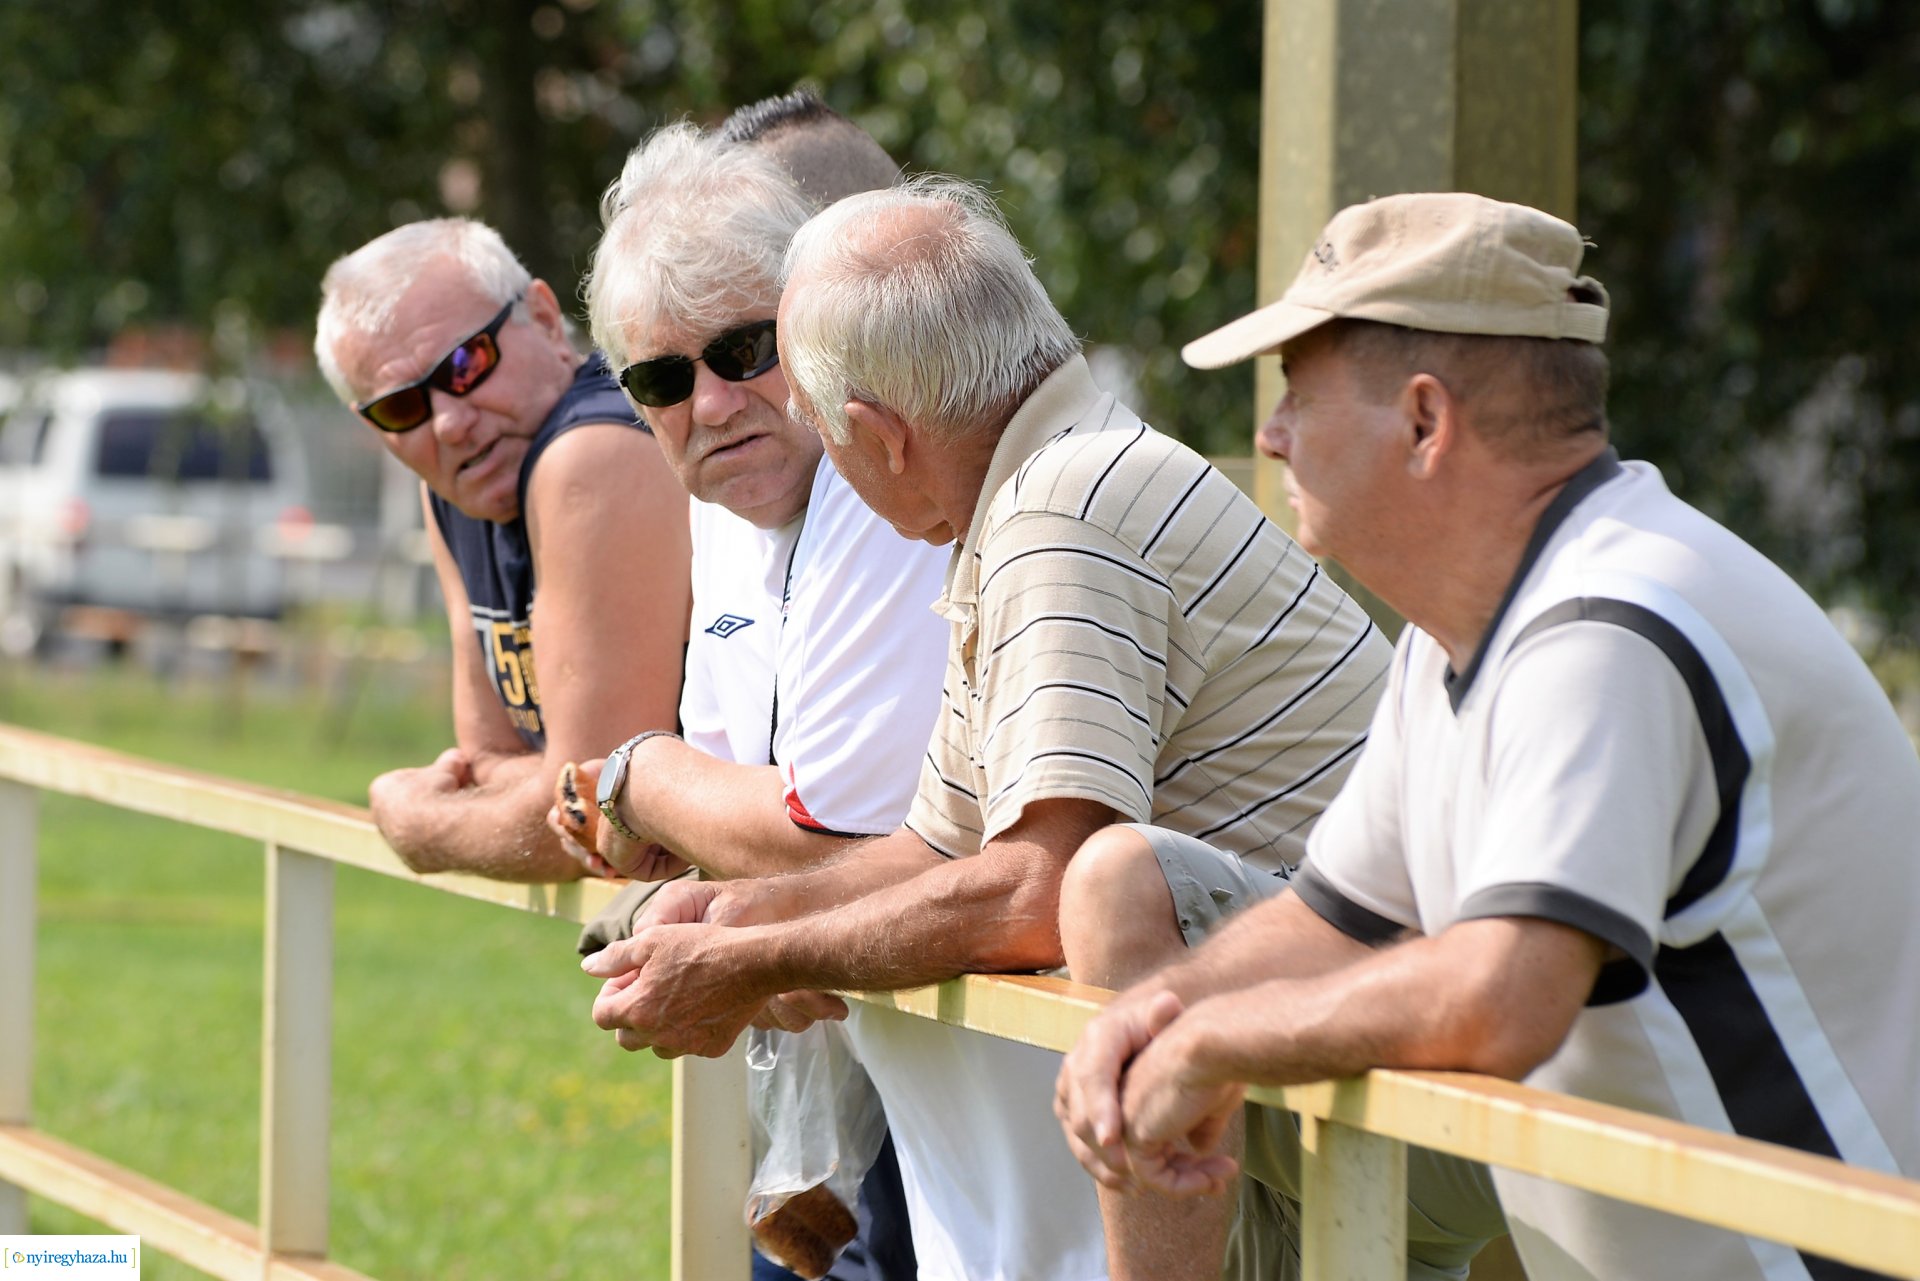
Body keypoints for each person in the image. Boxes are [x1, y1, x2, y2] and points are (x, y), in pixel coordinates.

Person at [1056, 191, 1920, 1281]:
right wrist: (1155, 1014)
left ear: (1425, 421)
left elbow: (1504, 994)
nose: (1269, 435)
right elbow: (1338, 924)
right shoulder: (1470, 630)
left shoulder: (1607, 629)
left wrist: (1214, 1042)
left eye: (1297, 394)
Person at [580, 177, 1397, 1281]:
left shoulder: (1063, 511)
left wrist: (755, 959)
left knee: (1113, 884)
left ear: (879, 434)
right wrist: (735, 917)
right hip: (1316, 1065)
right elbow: (938, 849)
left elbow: (1039, 889)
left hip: (1376, 1093)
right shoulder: (1039, 489)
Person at [563, 103, 929, 1281]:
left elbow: (823, 834)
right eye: (663, 377)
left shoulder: (893, 486)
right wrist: (695, 833)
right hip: (857, 1061)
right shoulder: (726, 503)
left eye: (743, 349)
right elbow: (732, 835)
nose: (712, 402)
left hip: (1024, 1070)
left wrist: (637, 773)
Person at [314, 219, 688, 881]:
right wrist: (541, 786)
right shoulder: (453, 492)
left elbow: (596, 814)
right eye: (401, 409)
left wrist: (421, 826)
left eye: (465, 366)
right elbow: (484, 757)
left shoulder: (593, 453)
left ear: (544, 318)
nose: (449, 423)